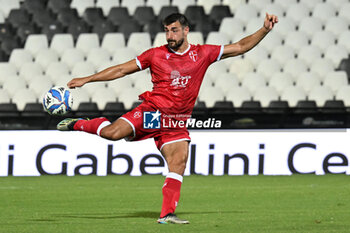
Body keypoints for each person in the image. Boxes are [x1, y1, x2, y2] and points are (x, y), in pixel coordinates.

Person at [57, 12, 278, 224]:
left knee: (179, 162)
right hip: (152, 113)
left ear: (186, 31)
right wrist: (88, 79)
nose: (170, 36)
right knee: (112, 134)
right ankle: (80, 124)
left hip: (176, 122)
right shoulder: (155, 54)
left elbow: (240, 46)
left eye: (174, 30)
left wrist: (264, 30)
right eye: (166, 31)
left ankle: (166, 214)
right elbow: (122, 70)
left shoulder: (203, 53)